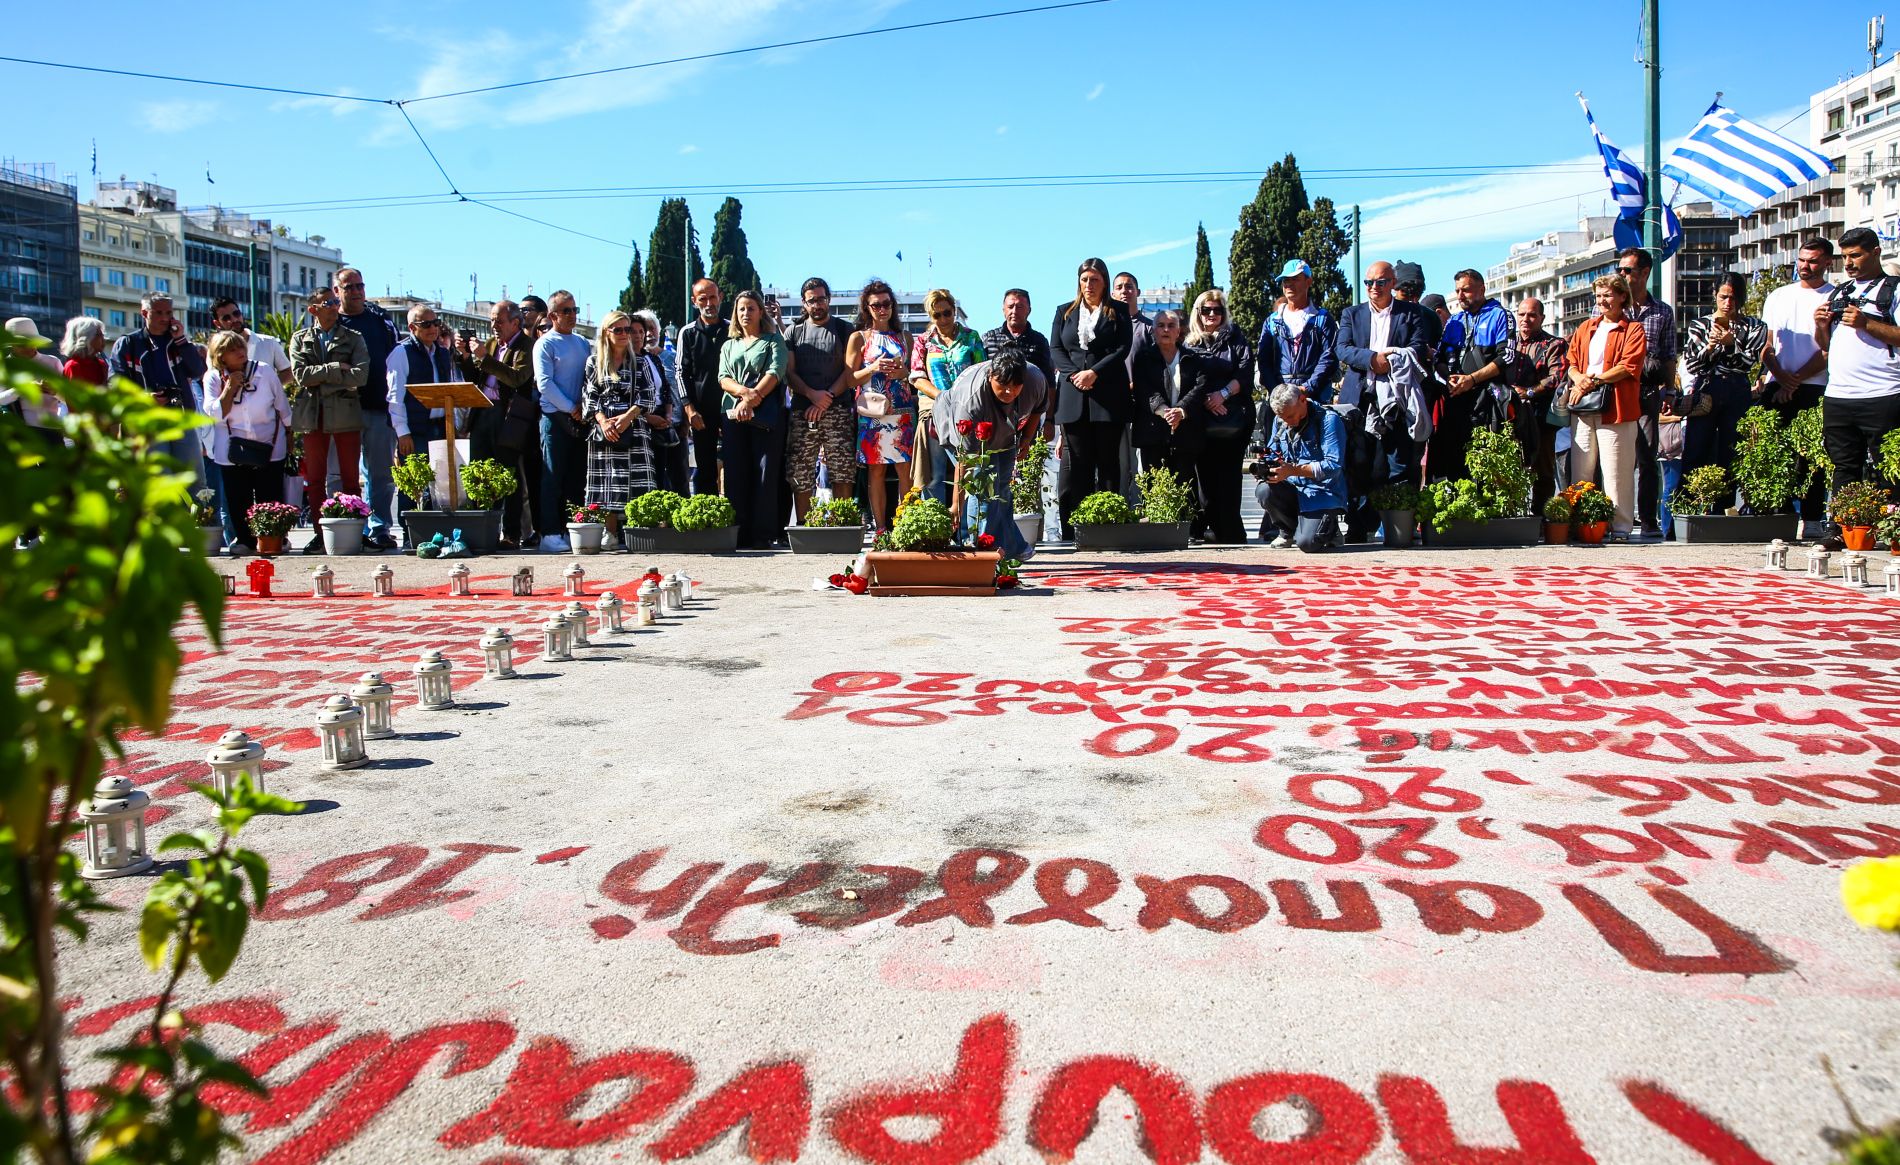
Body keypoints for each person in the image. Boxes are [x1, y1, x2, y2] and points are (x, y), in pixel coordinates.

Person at [1814, 227, 1900, 515]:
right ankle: (1841, 526)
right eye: (1844, 257)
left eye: (1855, 255)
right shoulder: (1842, 291)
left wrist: (1867, 324)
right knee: (1844, 467)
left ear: (1875, 252)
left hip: (1884, 392)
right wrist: (1821, 326)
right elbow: (1826, 346)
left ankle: (1894, 527)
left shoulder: (1894, 289)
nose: (1848, 263)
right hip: (1839, 395)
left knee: (1890, 466)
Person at [934, 349, 1048, 560]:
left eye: (1015, 386)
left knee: (1001, 489)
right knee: (983, 490)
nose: (1009, 392)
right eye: (1003, 385)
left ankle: (1011, 548)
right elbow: (965, 460)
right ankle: (980, 551)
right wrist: (956, 505)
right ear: (990, 376)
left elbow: (1037, 410)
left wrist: (1026, 439)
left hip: (1004, 431)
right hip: (961, 429)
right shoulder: (970, 401)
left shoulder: (1035, 379)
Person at [1050, 258, 1134, 539]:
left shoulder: (1118, 311)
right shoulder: (1064, 312)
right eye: (1085, 279)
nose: (1089, 285)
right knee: (1079, 463)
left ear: (1104, 282)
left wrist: (1094, 372)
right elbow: (1056, 348)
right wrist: (1076, 374)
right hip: (1073, 396)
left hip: (1108, 395)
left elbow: (1123, 347)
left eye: (1094, 280)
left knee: (1108, 462)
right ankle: (1077, 528)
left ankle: (1108, 526)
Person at [1335, 261, 1434, 491]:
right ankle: (1359, 526)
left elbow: (1418, 346)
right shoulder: (1352, 314)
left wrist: (1391, 360)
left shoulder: (1411, 313)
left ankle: (1394, 522)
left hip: (1397, 397)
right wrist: (1372, 360)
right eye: (1369, 282)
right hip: (1360, 396)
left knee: (1397, 462)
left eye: (1380, 282)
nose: (1374, 287)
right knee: (1358, 463)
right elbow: (1342, 348)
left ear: (1393, 283)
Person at [1563, 274, 1647, 541]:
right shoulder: (1586, 327)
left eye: (1608, 295)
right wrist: (1579, 379)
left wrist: (1593, 380)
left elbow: (1627, 366)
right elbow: (1572, 362)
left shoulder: (1633, 329)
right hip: (1584, 406)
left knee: (1616, 472)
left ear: (1622, 296)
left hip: (1617, 408)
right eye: (1598, 296)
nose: (1602, 301)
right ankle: (1581, 523)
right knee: (1581, 469)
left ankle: (1620, 527)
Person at [288, 288, 370, 554]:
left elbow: (360, 376)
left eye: (336, 302)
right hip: (312, 414)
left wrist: (321, 379)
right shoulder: (299, 339)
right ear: (313, 309)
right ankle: (319, 534)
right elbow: (300, 375)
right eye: (329, 303)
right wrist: (336, 369)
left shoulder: (353, 338)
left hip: (345, 414)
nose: (335, 307)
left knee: (349, 478)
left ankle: (353, 531)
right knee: (315, 479)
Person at [1762, 237, 1835, 533]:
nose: (1806, 266)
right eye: (1802, 259)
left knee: (1812, 455)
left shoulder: (1834, 296)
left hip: (1815, 384)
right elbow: (1766, 345)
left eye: (1813, 261)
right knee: (1774, 451)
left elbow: (1830, 350)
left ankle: (1813, 517)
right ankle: (1776, 515)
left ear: (1828, 262)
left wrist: (1796, 379)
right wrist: (1781, 377)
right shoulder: (1779, 295)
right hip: (1776, 382)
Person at [457, 298, 541, 550]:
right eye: (492, 320)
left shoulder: (527, 346)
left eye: (499, 321)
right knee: (479, 471)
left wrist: (485, 358)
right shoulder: (491, 344)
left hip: (509, 416)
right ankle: (480, 528)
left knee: (508, 475)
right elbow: (476, 377)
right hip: (483, 413)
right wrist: (465, 357)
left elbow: (517, 378)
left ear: (515, 322)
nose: (494, 325)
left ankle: (511, 533)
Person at [582, 311, 670, 541]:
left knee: (637, 481)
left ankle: (638, 534)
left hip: (634, 428)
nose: (624, 334)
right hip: (605, 430)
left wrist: (627, 417)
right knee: (607, 481)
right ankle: (609, 533)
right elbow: (589, 398)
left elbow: (649, 396)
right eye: (618, 329)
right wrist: (602, 421)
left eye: (627, 329)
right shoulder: (594, 362)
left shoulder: (640, 361)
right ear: (606, 332)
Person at [202, 329, 291, 555]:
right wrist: (230, 388)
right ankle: (244, 540)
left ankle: (274, 538)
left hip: (269, 446)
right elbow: (214, 414)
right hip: (231, 449)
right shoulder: (213, 377)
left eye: (241, 346)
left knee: (269, 495)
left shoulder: (263, 370)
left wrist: (290, 432)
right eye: (232, 349)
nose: (240, 352)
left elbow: (282, 405)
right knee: (237, 497)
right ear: (220, 356)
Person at [107, 293, 208, 488]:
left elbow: (198, 371)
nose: (165, 318)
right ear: (144, 313)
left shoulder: (179, 343)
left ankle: (198, 518)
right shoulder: (128, 343)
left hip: (181, 418)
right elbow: (116, 382)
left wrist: (181, 340)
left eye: (169, 312)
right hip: (148, 422)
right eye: (158, 312)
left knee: (195, 480)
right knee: (160, 479)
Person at [332, 268, 401, 550]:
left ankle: (379, 527)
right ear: (337, 291)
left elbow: (394, 358)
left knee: (381, 473)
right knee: (341, 474)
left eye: (360, 286)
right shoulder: (330, 322)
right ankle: (344, 525)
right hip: (342, 409)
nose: (357, 291)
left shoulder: (379, 320)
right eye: (349, 287)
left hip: (377, 406)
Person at [1182, 288, 1256, 544]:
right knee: (1204, 478)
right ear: (1198, 313)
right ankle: (1208, 527)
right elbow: (1187, 381)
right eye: (1206, 310)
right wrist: (1207, 400)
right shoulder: (1189, 344)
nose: (1211, 314)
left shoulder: (1237, 339)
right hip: (1201, 419)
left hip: (1234, 418)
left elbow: (1245, 373)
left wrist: (1222, 395)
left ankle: (1231, 531)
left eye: (1217, 310)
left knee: (1230, 476)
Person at [718, 289, 790, 549]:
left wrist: (752, 398)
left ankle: (763, 534)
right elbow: (723, 377)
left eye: (751, 308)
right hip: (733, 415)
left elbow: (776, 371)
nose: (746, 313)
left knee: (765, 473)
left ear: (760, 311)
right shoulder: (729, 345)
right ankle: (739, 532)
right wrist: (743, 395)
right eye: (741, 309)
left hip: (767, 417)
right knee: (736, 473)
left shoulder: (773, 341)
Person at [782, 277, 858, 523]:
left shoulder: (846, 330)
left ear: (829, 299)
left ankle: (841, 524)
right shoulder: (794, 331)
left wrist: (826, 398)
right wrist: (812, 395)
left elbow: (850, 373)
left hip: (838, 410)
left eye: (821, 299)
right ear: (804, 303)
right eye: (812, 300)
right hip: (803, 411)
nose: (817, 304)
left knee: (842, 472)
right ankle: (804, 526)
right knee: (800, 472)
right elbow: (789, 373)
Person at [1429, 270, 1515, 482]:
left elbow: (1507, 357)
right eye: (1457, 290)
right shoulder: (1455, 321)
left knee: (1485, 466)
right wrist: (1449, 377)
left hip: (1487, 402)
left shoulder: (1500, 315)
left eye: (1466, 290)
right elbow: (1438, 358)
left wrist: (1472, 379)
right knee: (1454, 465)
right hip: (1456, 400)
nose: (1460, 296)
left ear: (1481, 289)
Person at [1680, 273, 1766, 480]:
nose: (1728, 303)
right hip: (1706, 388)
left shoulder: (1755, 326)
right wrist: (1709, 348)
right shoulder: (1700, 325)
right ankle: (1687, 507)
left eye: (1733, 298)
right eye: (1723, 297)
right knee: (1695, 451)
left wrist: (1731, 345)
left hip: (1737, 389)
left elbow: (1748, 362)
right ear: (1715, 296)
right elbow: (1692, 364)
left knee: (1731, 451)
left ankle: (1724, 508)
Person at [845, 280, 913, 535]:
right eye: (876, 305)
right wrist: (873, 368)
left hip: (902, 410)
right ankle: (881, 528)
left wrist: (902, 372)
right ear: (867, 308)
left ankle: (905, 526)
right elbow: (850, 378)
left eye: (886, 304)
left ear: (893, 306)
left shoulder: (905, 337)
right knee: (876, 470)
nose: (882, 309)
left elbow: (913, 373)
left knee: (904, 468)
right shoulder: (859, 337)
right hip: (873, 413)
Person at [1617, 246, 1676, 537]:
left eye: (1627, 270)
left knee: (1647, 457)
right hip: (1615, 391)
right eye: (1620, 269)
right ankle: (1615, 518)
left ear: (1644, 273)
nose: (1622, 275)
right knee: (1615, 457)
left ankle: (1649, 520)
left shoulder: (1662, 311)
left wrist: (1671, 390)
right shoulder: (1611, 307)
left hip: (1648, 391)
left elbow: (1668, 355)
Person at [910, 289, 986, 505]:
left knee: (968, 472)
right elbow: (916, 377)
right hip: (935, 413)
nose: (943, 319)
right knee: (934, 475)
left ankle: (966, 531)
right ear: (930, 316)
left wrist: (961, 400)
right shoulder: (923, 341)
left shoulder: (971, 337)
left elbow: (982, 372)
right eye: (937, 315)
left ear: (954, 311)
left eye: (947, 313)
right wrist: (943, 397)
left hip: (967, 413)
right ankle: (938, 533)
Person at [1256, 383, 1347, 552]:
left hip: (1322, 491)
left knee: (1307, 544)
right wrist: (1266, 465)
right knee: (1264, 490)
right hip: (1294, 487)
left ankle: (1331, 528)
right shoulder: (1280, 419)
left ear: (1302, 400)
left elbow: (1333, 466)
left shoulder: (1328, 420)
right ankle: (1287, 531)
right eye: (1282, 418)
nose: (1287, 422)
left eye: (1290, 416)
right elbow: (1272, 451)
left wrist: (1293, 469)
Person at [534, 290, 592, 553]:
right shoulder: (545, 344)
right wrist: (571, 407)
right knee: (552, 476)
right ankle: (549, 532)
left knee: (576, 478)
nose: (571, 315)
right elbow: (544, 384)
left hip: (580, 417)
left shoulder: (581, 342)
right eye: (565, 311)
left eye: (574, 310)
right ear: (552, 315)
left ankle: (573, 528)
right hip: (554, 417)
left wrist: (584, 408)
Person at [1131, 310, 1213, 495]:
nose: (1166, 330)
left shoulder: (1193, 359)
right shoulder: (1143, 358)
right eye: (1160, 325)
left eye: (1171, 326)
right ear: (1153, 330)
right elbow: (1144, 390)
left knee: (1184, 490)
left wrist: (1181, 411)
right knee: (1155, 490)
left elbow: (1200, 387)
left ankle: (1187, 526)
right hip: (1152, 434)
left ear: (1179, 331)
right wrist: (1164, 411)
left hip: (1186, 435)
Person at [1505, 297, 1568, 514]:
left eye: (1532, 315)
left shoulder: (1554, 344)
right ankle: (1511, 515)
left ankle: (1541, 517)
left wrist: (1529, 392)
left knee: (1543, 470)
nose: (1526, 319)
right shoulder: (1507, 343)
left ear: (1542, 317)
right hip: (1511, 415)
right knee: (1508, 467)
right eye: (1522, 314)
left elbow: (1556, 377)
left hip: (1540, 416)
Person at [1257, 259, 1339, 403]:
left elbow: (1329, 357)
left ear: (1308, 281)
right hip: (1280, 399)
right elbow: (1264, 360)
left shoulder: (1323, 318)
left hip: (1315, 398)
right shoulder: (1272, 321)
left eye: (1295, 279)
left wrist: (1307, 389)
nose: (1288, 284)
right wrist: (1277, 391)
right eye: (1285, 280)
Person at [676, 278, 728, 497]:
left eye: (713, 297)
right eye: (703, 298)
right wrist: (689, 409)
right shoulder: (687, 333)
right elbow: (681, 372)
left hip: (731, 410)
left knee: (734, 466)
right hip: (701, 413)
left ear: (721, 297)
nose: (709, 303)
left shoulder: (733, 329)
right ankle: (708, 522)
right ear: (694, 301)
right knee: (705, 468)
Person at [387, 304, 457, 462]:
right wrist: (402, 432)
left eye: (436, 323)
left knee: (441, 483)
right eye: (426, 324)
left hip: (442, 428)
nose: (433, 328)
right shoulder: (401, 352)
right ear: (412, 327)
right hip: (415, 430)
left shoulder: (443, 353)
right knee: (415, 484)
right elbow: (395, 396)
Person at [633, 307, 689, 494]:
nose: (648, 334)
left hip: (675, 426)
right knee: (654, 480)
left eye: (652, 328)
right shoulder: (634, 360)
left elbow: (680, 390)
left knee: (680, 477)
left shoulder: (671, 358)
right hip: (648, 426)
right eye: (643, 329)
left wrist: (683, 422)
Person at [980, 288, 1056, 390]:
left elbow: (1049, 381)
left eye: (1020, 307)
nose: (1014, 311)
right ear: (1004, 310)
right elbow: (980, 377)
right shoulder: (989, 339)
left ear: (1029, 310)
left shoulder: (1040, 341)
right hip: (994, 403)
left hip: (1029, 401)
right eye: (1010, 307)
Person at [210, 298, 293, 387]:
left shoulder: (269, 342)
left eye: (236, 314)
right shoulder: (216, 350)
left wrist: (269, 388)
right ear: (217, 323)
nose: (234, 320)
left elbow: (288, 372)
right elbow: (214, 381)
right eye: (226, 318)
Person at [59, 315, 108, 386]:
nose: (103, 339)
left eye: (103, 335)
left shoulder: (102, 364)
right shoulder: (74, 366)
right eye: (98, 335)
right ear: (85, 338)